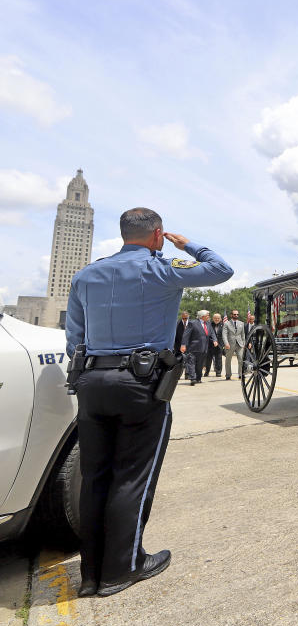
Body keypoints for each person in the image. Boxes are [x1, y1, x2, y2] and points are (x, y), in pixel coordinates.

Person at [65, 207, 232, 597]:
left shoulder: (86, 275)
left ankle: (91, 574)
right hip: (141, 383)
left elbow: (74, 336)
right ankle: (124, 567)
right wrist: (187, 243)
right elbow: (221, 269)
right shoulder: (161, 269)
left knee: (95, 478)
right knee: (132, 476)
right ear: (157, 234)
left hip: (92, 380)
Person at [181, 310, 217, 384]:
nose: (209, 316)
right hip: (193, 347)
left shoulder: (208, 323)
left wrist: (215, 340)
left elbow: (212, 332)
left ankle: (198, 378)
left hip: (203, 348)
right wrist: (183, 345)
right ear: (202, 316)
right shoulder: (193, 323)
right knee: (191, 363)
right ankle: (192, 378)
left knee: (199, 364)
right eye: (207, 315)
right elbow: (186, 334)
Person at [221, 310, 245, 380]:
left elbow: (243, 334)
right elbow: (224, 334)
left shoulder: (241, 323)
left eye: (237, 314)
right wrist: (226, 343)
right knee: (228, 359)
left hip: (240, 344)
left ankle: (241, 374)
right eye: (234, 314)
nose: (236, 316)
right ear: (231, 315)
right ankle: (228, 374)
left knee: (241, 359)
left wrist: (244, 343)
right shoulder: (226, 323)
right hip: (230, 344)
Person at [204, 313, 224, 377]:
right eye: (215, 318)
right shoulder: (209, 325)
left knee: (219, 359)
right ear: (213, 318)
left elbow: (225, 335)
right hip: (210, 345)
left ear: (220, 319)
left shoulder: (223, 325)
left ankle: (218, 372)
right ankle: (207, 372)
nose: (217, 319)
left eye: (218, 318)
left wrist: (223, 344)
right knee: (208, 360)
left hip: (220, 345)